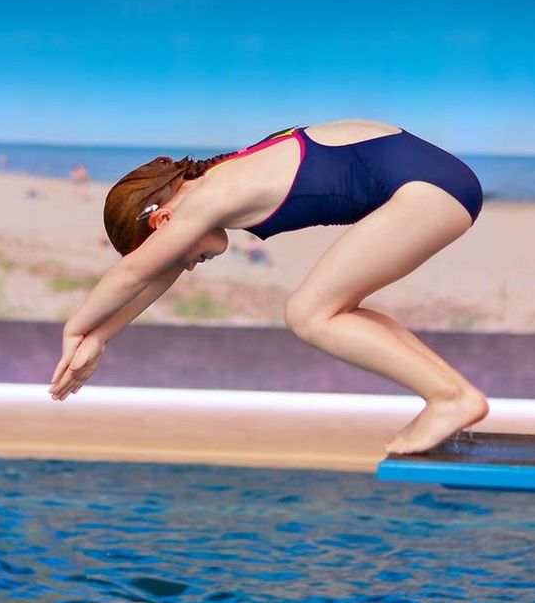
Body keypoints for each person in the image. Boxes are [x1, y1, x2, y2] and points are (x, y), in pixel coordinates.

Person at [49, 118, 489, 455]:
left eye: (176, 252)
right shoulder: (219, 178)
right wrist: (101, 336)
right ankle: (453, 394)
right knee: (337, 309)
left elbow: (133, 273)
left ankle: (449, 397)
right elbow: (153, 274)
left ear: (163, 220)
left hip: (429, 192)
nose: (190, 264)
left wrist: (74, 329)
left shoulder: (204, 200)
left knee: (309, 314)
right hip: (437, 179)